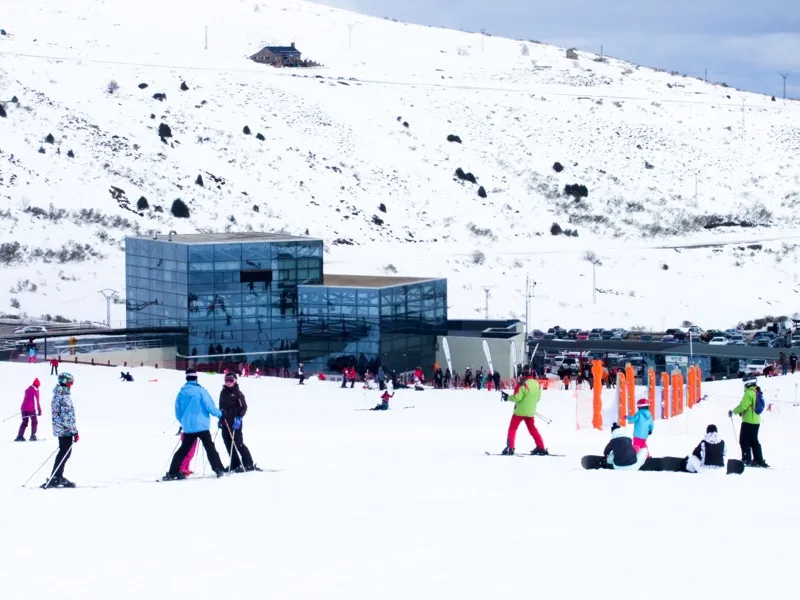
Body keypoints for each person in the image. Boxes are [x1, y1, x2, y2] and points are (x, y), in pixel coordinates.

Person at [163, 369, 226, 480]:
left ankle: (173, 471)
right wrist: (220, 414)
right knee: (210, 448)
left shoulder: (181, 393)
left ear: (186, 378)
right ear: (196, 378)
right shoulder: (201, 391)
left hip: (188, 427)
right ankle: (218, 469)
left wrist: (184, 422)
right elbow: (210, 407)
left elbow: (178, 412)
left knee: (183, 450)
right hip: (202, 426)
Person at [500, 366, 547, 455]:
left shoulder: (522, 384)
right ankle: (541, 447)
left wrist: (507, 398)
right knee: (533, 429)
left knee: (512, 429)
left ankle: (510, 447)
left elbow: (517, 398)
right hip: (530, 412)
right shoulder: (536, 383)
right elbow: (538, 398)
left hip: (519, 412)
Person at [42, 373, 79, 488]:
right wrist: (74, 431)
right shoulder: (63, 395)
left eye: (72, 382)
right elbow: (67, 416)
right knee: (65, 453)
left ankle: (57, 476)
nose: (71, 385)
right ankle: (56, 477)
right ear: (64, 382)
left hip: (61, 428)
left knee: (64, 452)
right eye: (69, 382)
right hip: (65, 429)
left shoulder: (58, 394)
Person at [218, 372, 256, 472]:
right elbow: (221, 408)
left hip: (235, 423)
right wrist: (220, 419)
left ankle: (248, 464)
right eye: (227, 380)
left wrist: (239, 418)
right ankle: (235, 464)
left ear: (235, 381)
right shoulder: (223, 392)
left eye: (231, 380)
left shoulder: (238, 393)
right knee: (228, 444)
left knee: (238, 443)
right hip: (225, 422)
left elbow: (244, 407)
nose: (228, 382)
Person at [729, 379, 769, 467]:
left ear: (748, 384)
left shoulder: (748, 393)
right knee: (754, 441)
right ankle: (759, 460)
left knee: (744, 441)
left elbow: (744, 405)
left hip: (748, 421)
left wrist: (733, 412)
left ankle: (746, 459)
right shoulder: (757, 391)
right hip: (756, 421)